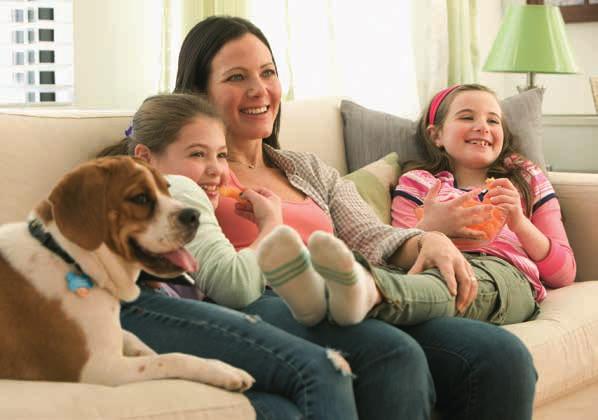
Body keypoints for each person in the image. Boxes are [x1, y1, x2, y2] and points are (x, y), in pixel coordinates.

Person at [176, 15, 537, 420]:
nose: (259, 90)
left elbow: (370, 235)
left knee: (502, 356)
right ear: (199, 92)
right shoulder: (190, 172)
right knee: (393, 356)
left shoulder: (306, 168)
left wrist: (427, 240)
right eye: (237, 77)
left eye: (268, 73)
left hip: (351, 292)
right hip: (267, 301)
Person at [98, 93, 360, 420]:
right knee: (322, 371)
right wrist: (270, 227)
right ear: (146, 158)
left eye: (222, 156)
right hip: (133, 311)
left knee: (281, 410)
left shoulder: (145, 199)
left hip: (130, 313)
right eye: (197, 154)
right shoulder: (174, 186)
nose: (217, 171)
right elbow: (234, 286)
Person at [256, 83, 576, 328]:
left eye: (493, 121)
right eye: (467, 117)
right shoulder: (418, 183)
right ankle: (344, 290)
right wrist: (431, 228)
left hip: (504, 273)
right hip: (428, 269)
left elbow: (564, 272)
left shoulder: (526, 178)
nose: (483, 126)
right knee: (427, 281)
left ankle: (363, 294)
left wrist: (519, 222)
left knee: (455, 283)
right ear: (436, 135)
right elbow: (397, 250)